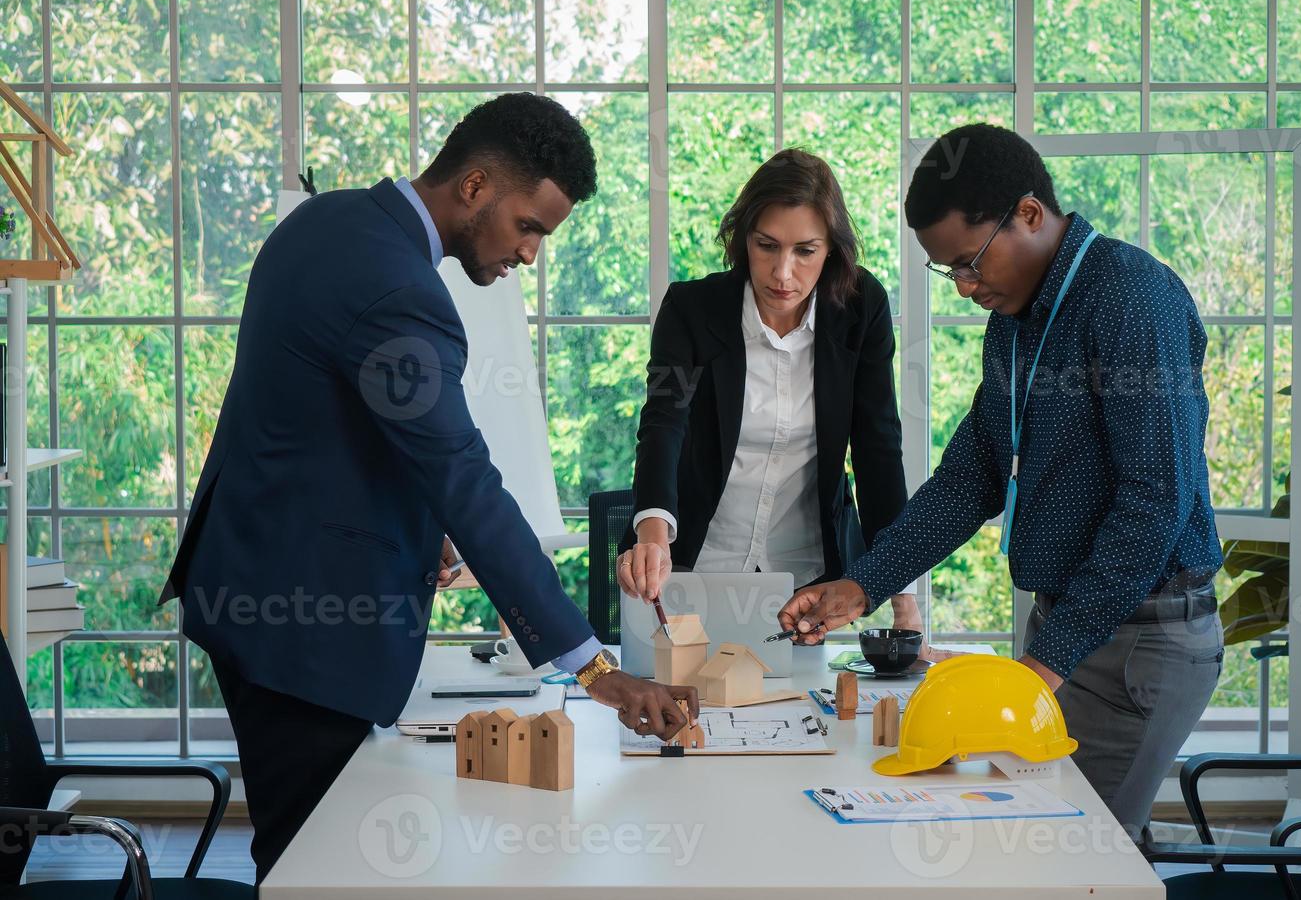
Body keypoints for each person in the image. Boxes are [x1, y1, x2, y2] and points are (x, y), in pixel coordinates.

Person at [160, 94, 698, 884]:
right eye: (530, 227)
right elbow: (463, 477)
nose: (530, 255)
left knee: (304, 857)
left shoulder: (328, 220)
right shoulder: (401, 293)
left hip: (255, 585)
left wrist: (417, 528)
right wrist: (594, 668)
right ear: (475, 187)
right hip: (304, 631)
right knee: (320, 870)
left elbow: (324, 430)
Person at [778, 123, 1224, 844]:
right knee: (1024, 853)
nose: (964, 286)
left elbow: (1156, 503)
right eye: (947, 271)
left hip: (1141, 641)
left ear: (1028, 214)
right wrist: (860, 586)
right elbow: (971, 477)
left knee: (1072, 860)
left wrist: (1046, 663)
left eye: (969, 262)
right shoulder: (1015, 324)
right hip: (1069, 629)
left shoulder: (1130, 300)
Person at [619, 148, 921, 629]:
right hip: (695, 566)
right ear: (743, 241)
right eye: (767, 246)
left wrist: (902, 596)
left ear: (831, 250)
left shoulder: (861, 308)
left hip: (806, 579)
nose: (783, 273)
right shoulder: (692, 309)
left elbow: (877, 447)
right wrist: (653, 536)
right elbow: (663, 423)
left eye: (805, 251)